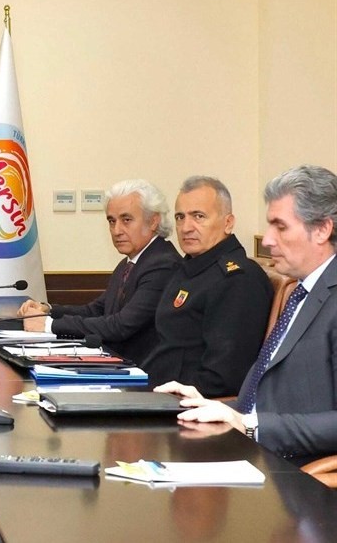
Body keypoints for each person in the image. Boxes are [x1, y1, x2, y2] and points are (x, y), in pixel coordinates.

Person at [157, 165, 337, 467]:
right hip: (252, 452)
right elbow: (264, 397)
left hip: (295, 472)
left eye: (280, 227)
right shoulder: (302, 291)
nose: (267, 240)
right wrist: (205, 403)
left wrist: (251, 425)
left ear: (322, 230)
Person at [18, 179, 180, 363]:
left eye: (126, 220)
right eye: (112, 221)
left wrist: (50, 325)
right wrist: (49, 310)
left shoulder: (162, 265)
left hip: (143, 371)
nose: (116, 230)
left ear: (153, 221)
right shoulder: (129, 263)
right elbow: (97, 310)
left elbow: (121, 325)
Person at [141, 176, 272, 395]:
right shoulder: (191, 267)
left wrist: (164, 396)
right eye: (180, 217)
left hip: (181, 403)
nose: (186, 227)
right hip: (153, 390)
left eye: (198, 216)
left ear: (228, 223)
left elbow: (223, 377)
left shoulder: (237, 280)